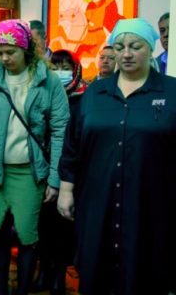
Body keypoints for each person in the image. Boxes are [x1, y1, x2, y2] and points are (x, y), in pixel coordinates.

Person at [57, 18, 176, 295]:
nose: (126, 54)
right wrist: (66, 189)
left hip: (151, 203)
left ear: (151, 48)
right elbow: (73, 145)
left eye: (135, 46)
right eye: (120, 47)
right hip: (98, 200)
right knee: (97, 269)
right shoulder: (95, 93)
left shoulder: (171, 92)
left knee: (145, 271)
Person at [0, 19, 70, 295]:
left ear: (26, 49)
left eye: (11, 52)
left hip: (29, 172)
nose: (4, 58)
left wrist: (55, 179)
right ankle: (2, 290)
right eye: (0, 52)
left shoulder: (47, 81)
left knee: (27, 237)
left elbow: (60, 132)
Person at [31, 49, 86, 294]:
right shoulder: (43, 93)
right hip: (44, 169)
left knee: (63, 227)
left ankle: (58, 275)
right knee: (42, 225)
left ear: (75, 70)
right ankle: (44, 270)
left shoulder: (85, 97)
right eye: (55, 68)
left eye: (66, 68)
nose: (60, 73)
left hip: (72, 172)